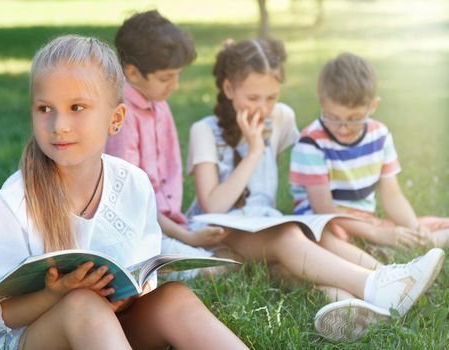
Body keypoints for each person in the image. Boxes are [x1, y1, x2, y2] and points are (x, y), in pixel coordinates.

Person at [0, 35, 248, 350]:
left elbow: (142, 276)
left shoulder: (133, 184)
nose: (59, 124)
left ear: (115, 120)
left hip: (108, 326)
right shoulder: (11, 204)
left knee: (174, 297)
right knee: (82, 304)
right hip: (30, 336)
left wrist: (122, 299)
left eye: (77, 107)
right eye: (45, 108)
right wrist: (56, 293)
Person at [186, 38, 445, 341]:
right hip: (221, 232)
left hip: (263, 223)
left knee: (290, 260)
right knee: (288, 237)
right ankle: (381, 284)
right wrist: (255, 149)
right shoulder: (203, 131)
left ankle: (345, 303)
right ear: (229, 89)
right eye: (253, 97)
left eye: (271, 97)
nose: (263, 108)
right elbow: (213, 207)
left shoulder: (281, 117)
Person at [105, 10, 230, 276]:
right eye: (166, 78)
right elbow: (134, 203)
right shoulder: (122, 116)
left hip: (168, 224)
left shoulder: (159, 107)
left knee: (231, 249)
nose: (175, 85)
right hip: (136, 229)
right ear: (133, 72)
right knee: (217, 268)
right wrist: (189, 237)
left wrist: (185, 231)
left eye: (177, 75)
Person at [289, 52, 449, 248]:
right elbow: (324, 209)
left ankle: (423, 239)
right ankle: (377, 249)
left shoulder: (379, 136)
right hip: (325, 222)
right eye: (333, 117)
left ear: (372, 106)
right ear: (322, 102)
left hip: (366, 222)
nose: (343, 127)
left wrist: (414, 227)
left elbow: (392, 196)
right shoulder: (310, 142)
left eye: (354, 118)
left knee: (430, 226)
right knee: (329, 237)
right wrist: (378, 234)